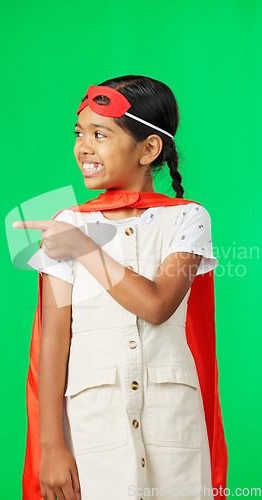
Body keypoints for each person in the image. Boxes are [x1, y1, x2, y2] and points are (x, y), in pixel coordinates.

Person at [14, 75, 228, 500]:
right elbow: (53, 343)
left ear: (149, 149)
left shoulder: (187, 219)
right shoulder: (68, 224)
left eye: (100, 134)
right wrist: (52, 446)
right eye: (79, 133)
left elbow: (157, 305)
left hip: (173, 421)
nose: (83, 147)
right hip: (94, 420)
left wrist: (85, 248)